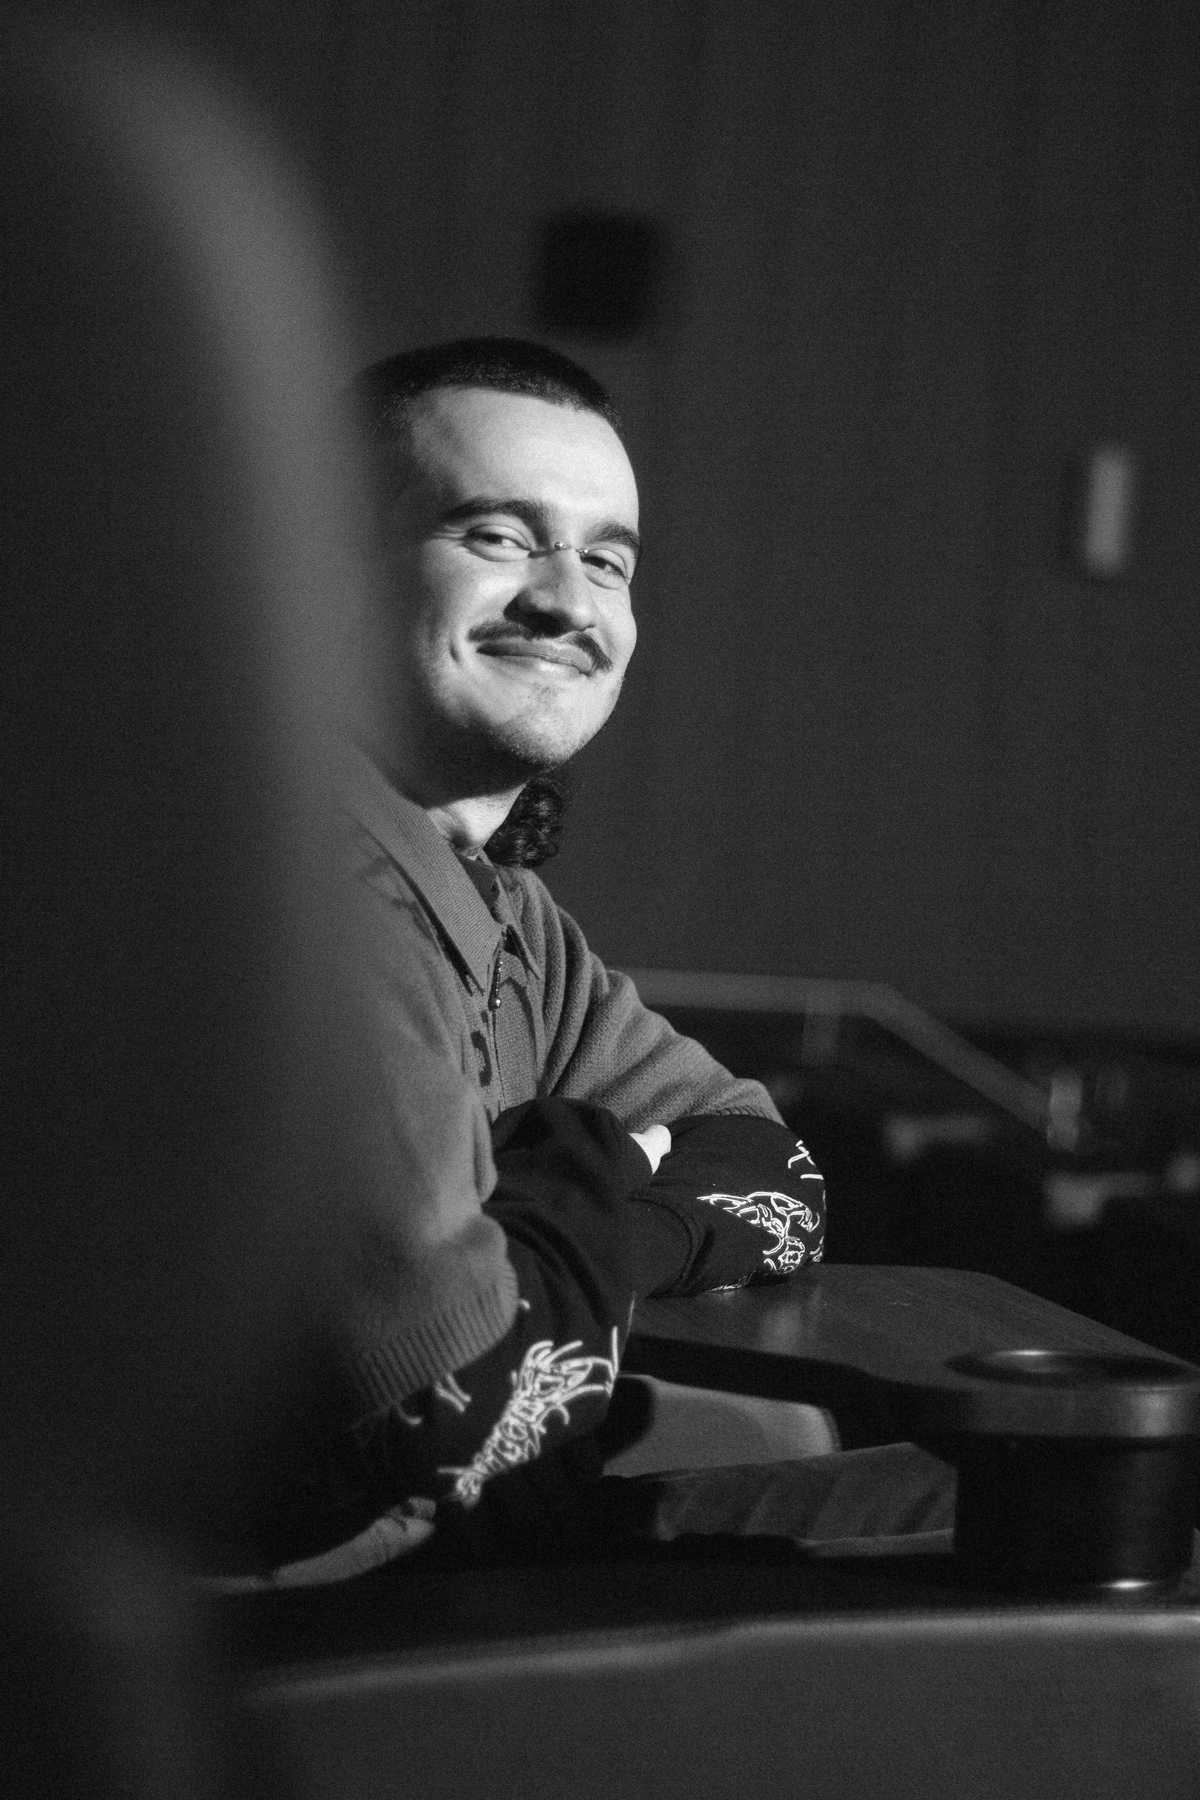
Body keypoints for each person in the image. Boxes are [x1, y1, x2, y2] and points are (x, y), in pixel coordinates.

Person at [250, 337, 954, 1578]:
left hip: (471, 1555)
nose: (568, 601)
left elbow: (775, 1171)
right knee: (1076, 1544)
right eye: (496, 536)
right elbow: (457, 1411)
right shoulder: (302, 888)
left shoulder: (506, 911)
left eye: (607, 560)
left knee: (1011, 1505)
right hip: (301, 1633)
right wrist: (595, 1162)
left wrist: (558, 1226)